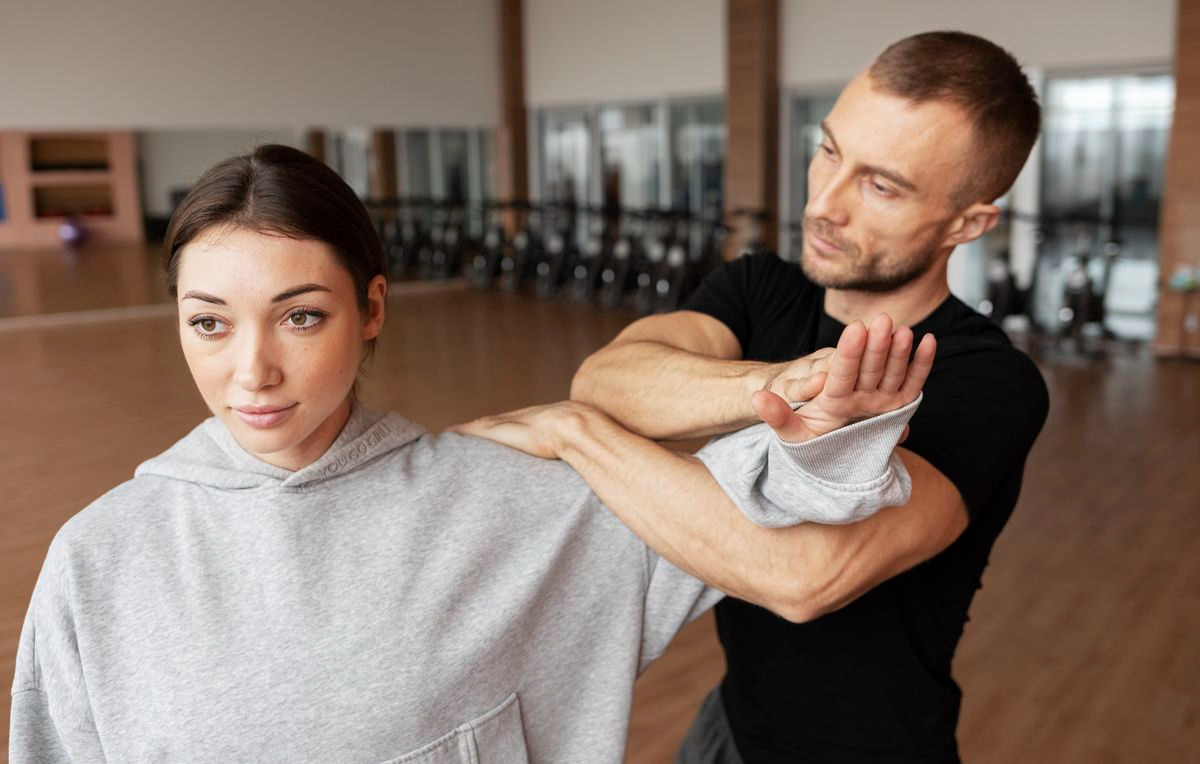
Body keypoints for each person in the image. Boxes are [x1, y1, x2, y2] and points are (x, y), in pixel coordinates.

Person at [10, 145, 931, 763]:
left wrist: (826, 429)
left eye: (300, 316)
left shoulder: (512, 501)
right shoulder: (100, 560)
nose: (251, 370)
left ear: (371, 310)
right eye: (209, 323)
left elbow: (756, 496)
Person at [567, 32, 1051, 762]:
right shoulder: (762, 287)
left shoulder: (987, 380)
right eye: (828, 150)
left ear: (969, 224)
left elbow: (802, 578)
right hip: (729, 727)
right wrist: (779, 381)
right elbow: (605, 381)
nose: (823, 204)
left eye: (881, 185)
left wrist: (574, 436)